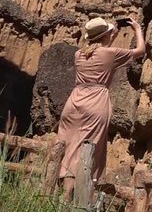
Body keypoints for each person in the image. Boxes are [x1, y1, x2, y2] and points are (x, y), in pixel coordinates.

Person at [57, 17, 145, 201]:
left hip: (74, 102)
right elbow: (140, 51)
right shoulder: (110, 53)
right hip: (95, 102)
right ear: (106, 35)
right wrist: (137, 28)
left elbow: (99, 49)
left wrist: (108, 36)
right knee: (86, 150)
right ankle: (68, 199)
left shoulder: (78, 54)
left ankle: (58, 193)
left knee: (67, 146)